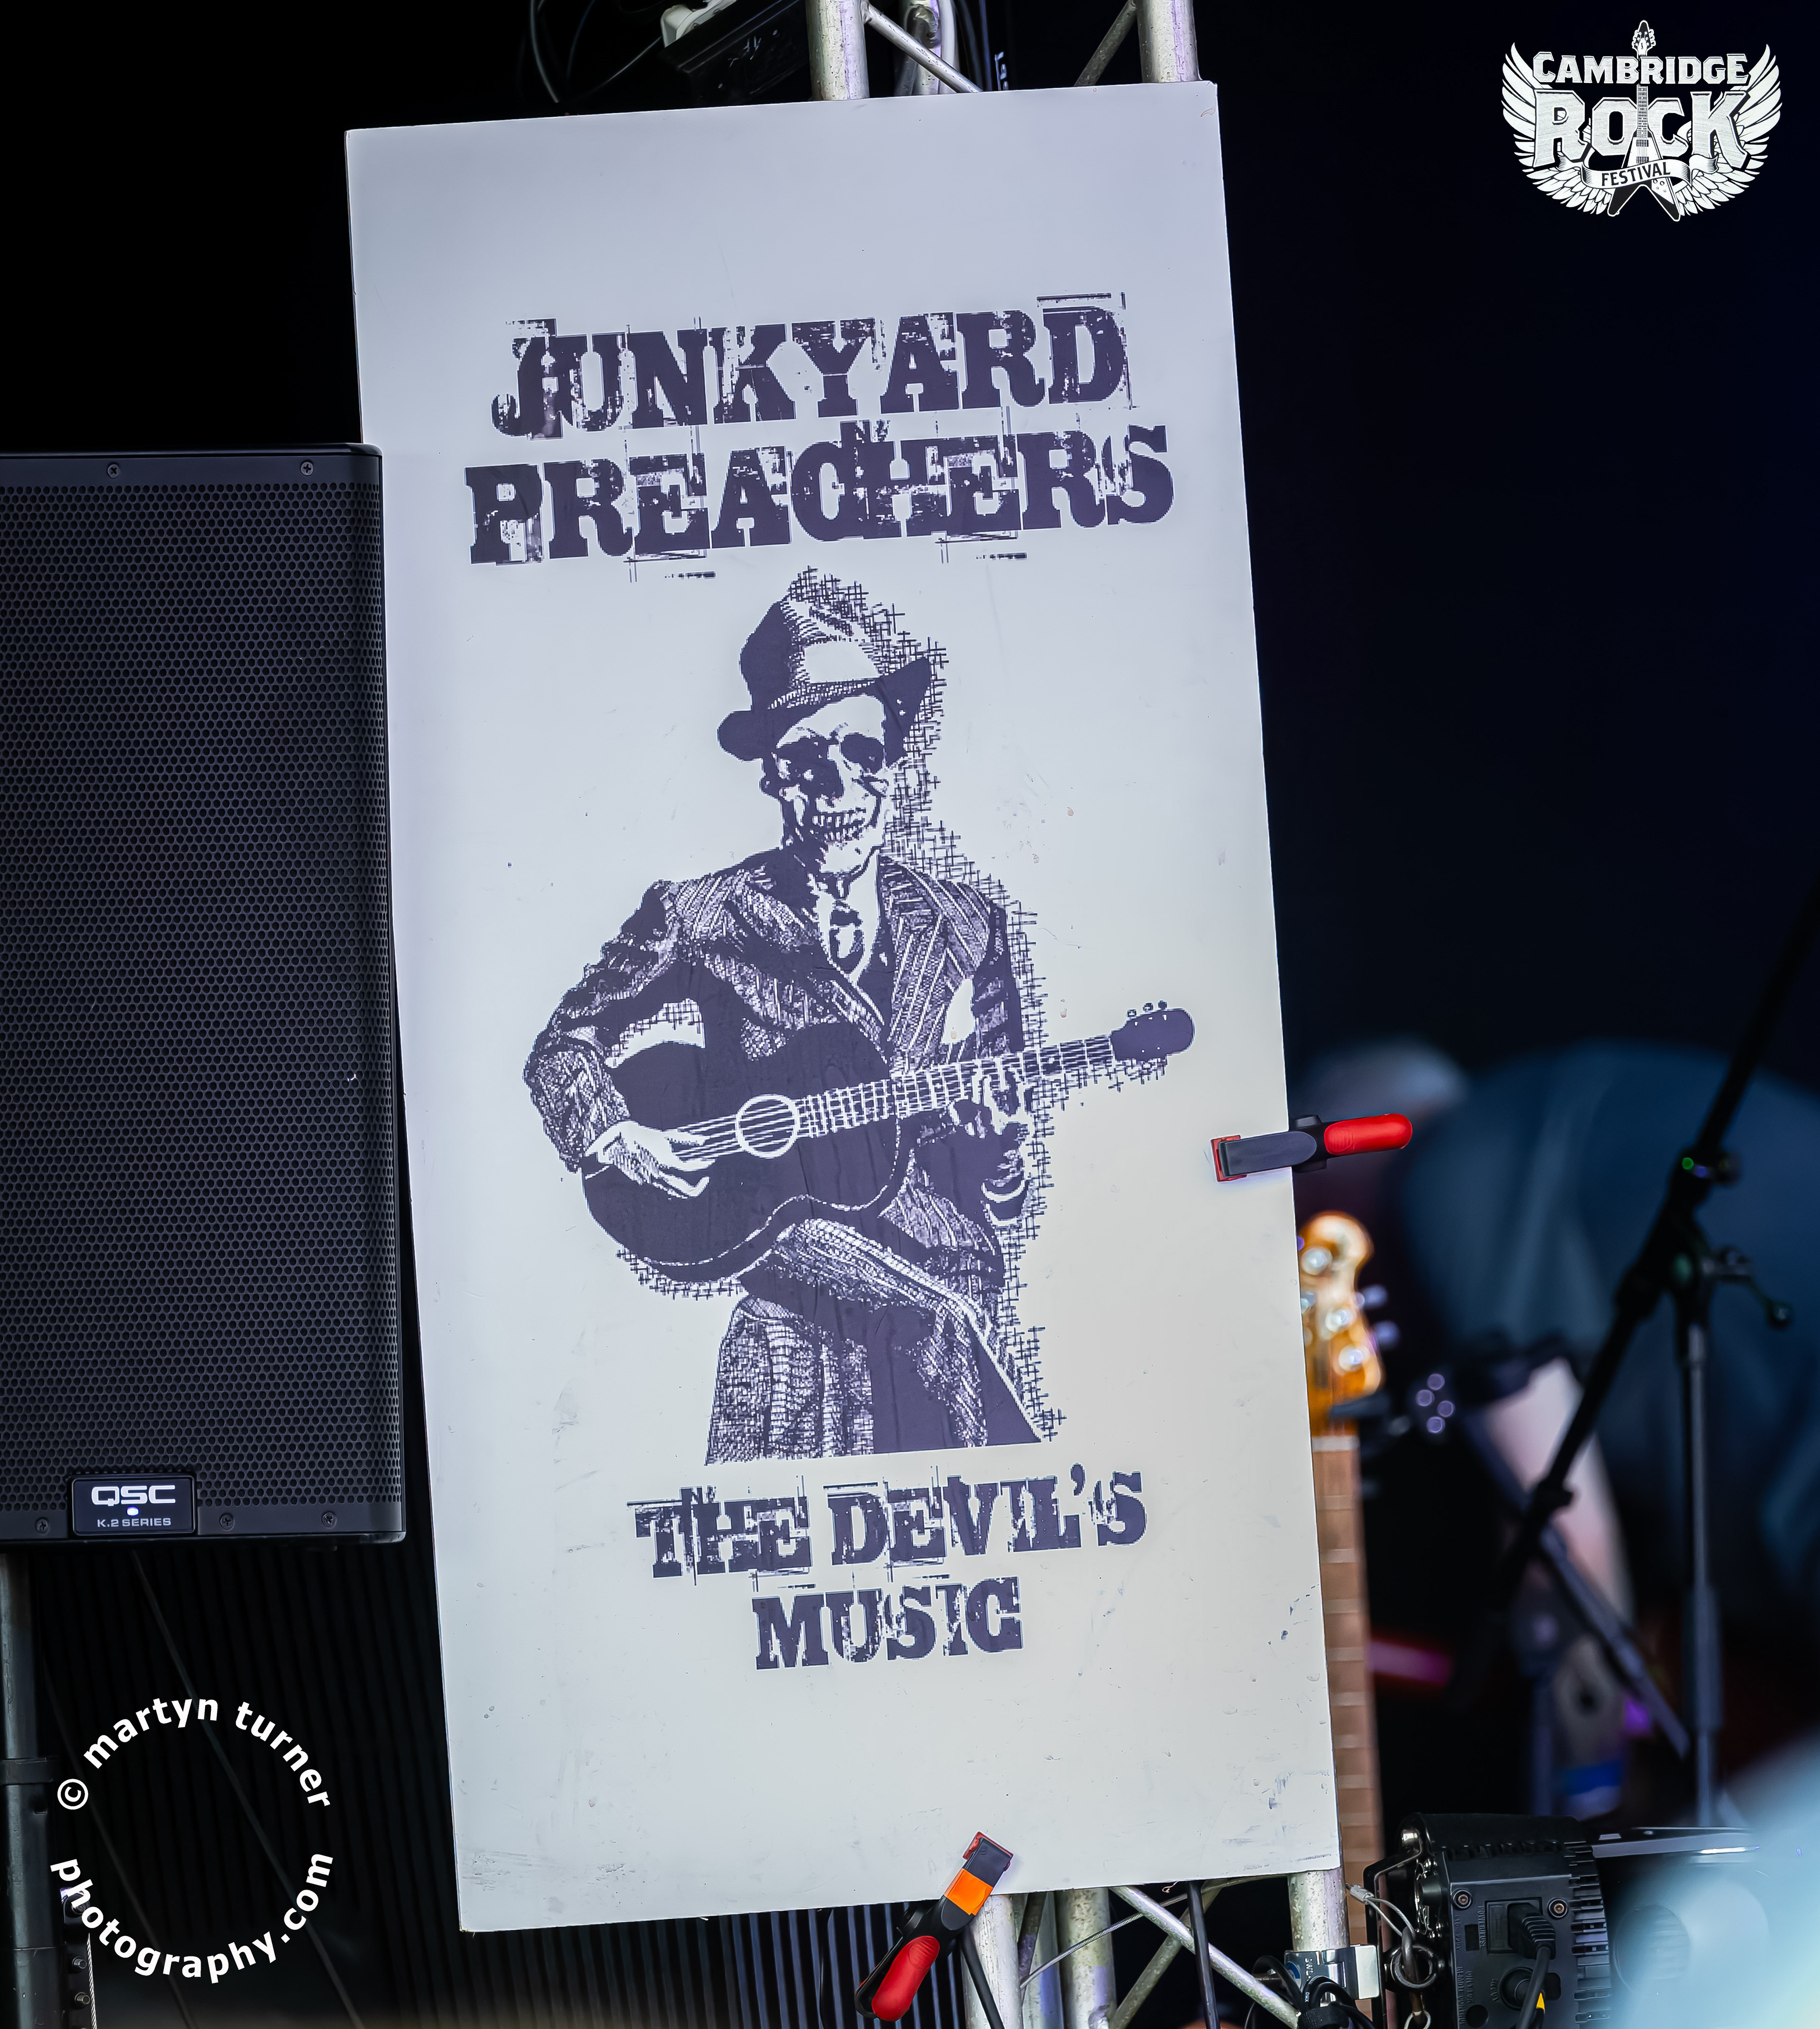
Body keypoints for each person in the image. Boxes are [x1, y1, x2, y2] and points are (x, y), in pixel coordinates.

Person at [524, 572, 1037, 1462]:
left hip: (944, 1263)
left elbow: (998, 1168)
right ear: (773, 778)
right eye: (805, 761)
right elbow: (561, 1046)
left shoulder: (967, 924)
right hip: (787, 1262)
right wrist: (615, 1137)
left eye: (860, 753)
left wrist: (998, 1153)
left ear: (893, 764)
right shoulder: (700, 915)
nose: (836, 787)